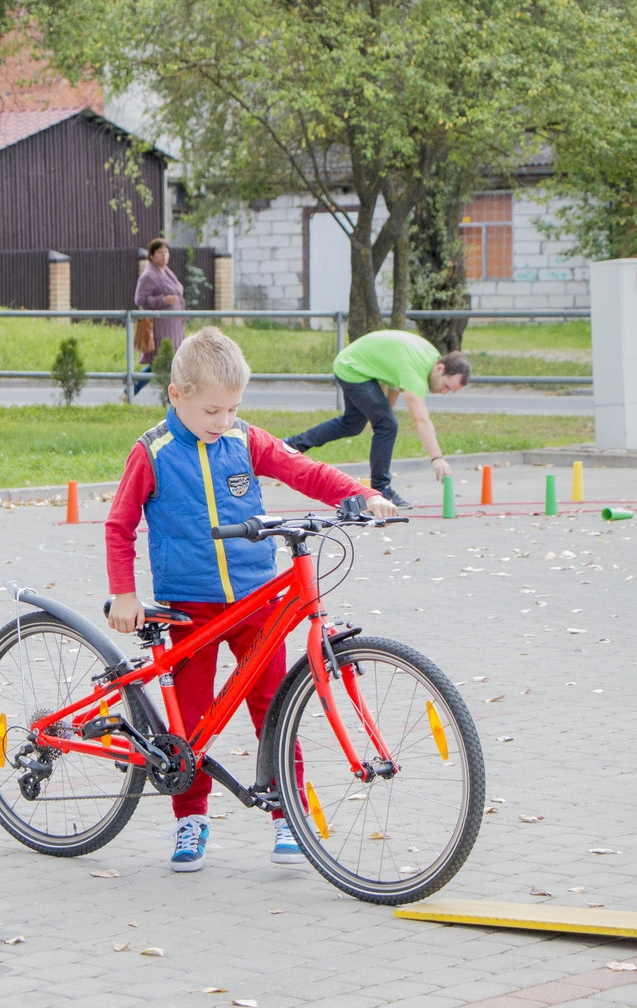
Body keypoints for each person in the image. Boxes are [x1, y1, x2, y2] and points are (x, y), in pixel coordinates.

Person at [105, 326, 396, 871]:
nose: (223, 423)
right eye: (212, 411)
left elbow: (303, 470)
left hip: (256, 600)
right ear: (177, 396)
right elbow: (119, 526)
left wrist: (362, 493)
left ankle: (287, 811)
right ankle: (190, 816)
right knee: (189, 719)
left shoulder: (244, 440)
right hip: (189, 608)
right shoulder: (154, 452)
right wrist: (124, 591)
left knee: (273, 707)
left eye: (233, 410)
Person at [284, 329, 471, 509]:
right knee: (387, 424)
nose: (443, 392)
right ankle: (381, 489)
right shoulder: (417, 372)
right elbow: (421, 420)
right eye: (446, 386)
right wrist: (437, 458)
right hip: (353, 368)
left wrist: (385, 410)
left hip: (352, 362)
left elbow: (395, 379)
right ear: (440, 368)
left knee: (352, 424)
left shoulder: (430, 358)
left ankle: (291, 445)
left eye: (449, 391)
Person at [130, 237, 187, 397]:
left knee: (165, 362)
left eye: (166, 252)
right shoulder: (149, 275)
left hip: (174, 325)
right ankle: (132, 390)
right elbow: (140, 299)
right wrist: (163, 300)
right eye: (160, 252)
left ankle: (131, 390)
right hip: (161, 326)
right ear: (152, 255)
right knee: (162, 361)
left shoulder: (167, 272)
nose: (164, 255)